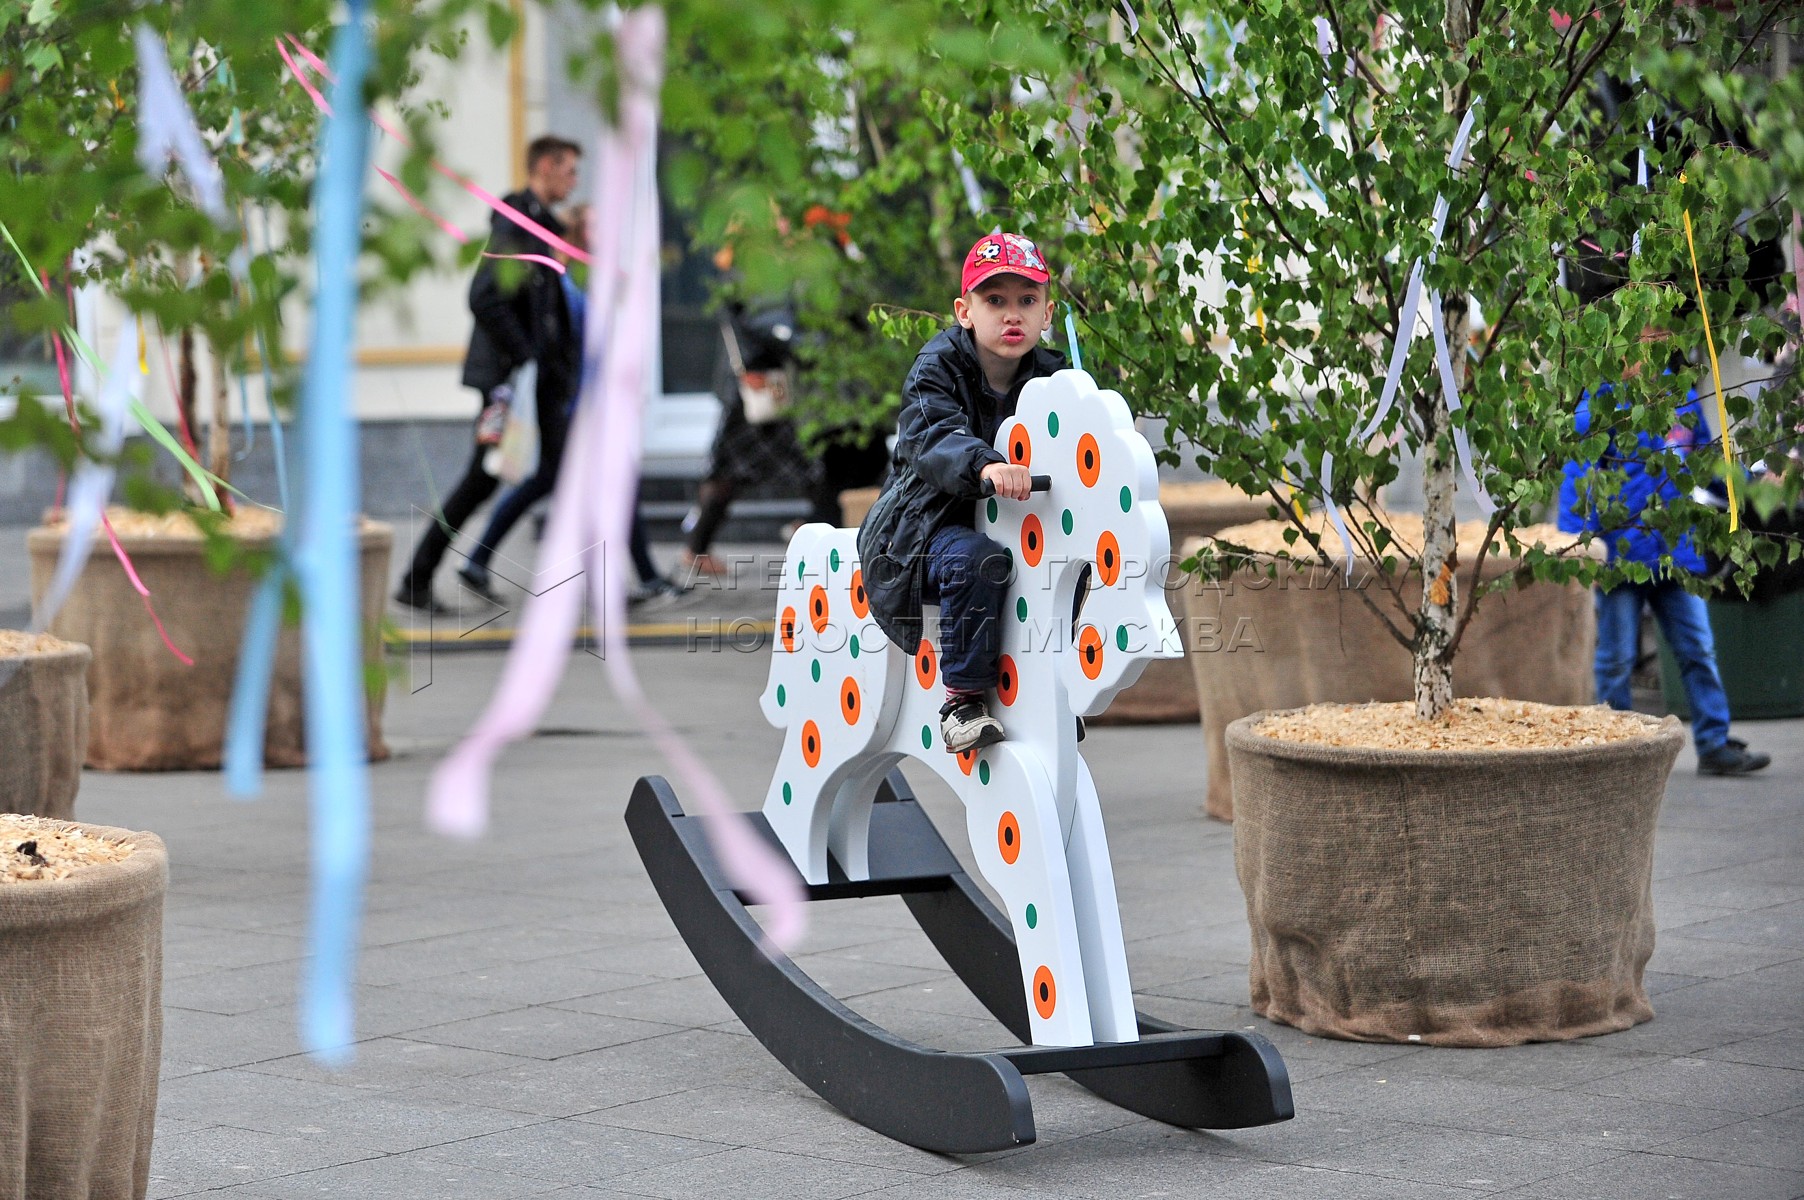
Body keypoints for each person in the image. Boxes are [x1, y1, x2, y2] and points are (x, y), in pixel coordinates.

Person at [858, 232, 1063, 753]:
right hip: (922, 529)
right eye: (994, 300)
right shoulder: (936, 368)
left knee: (1066, 567)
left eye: (1027, 300)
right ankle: (963, 702)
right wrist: (986, 464)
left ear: (1047, 313)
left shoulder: (1056, 377)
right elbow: (932, 437)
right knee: (977, 559)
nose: (1012, 315)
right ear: (964, 311)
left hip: (1013, 524)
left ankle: (1052, 693)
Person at [456, 205, 683, 605]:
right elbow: (572, 346)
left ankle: (479, 560)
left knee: (555, 483)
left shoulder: (590, 278)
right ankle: (634, 579)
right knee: (604, 485)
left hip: (586, 402)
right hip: (575, 405)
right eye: (593, 225)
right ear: (577, 232)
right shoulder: (567, 281)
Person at [395, 135, 582, 613]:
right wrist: (526, 356)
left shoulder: (540, 225)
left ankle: (467, 566)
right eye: (569, 170)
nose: (575, 181)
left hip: (533, 382)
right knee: (484, 477)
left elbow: (544, 306)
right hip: (509, 385)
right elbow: (483, 297)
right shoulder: (516, 225)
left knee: (549, 471)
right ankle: (419, 577)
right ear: (545, 166)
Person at [1560, 377, 1771, 776]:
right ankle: (1617, 754)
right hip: (1622, 559)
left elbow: (1706, 461)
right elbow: (1579, 476)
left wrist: (1754, 483)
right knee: (1616, 660)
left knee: (1698, 650)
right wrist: (1578, 547)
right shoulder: (1601, 402)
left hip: (1676, 555)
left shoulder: (1682, 398)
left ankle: (1714, 744)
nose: (1650, 346)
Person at [678, 304, 816, 578]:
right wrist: (748, 364)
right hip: (750, 389)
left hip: (769, 383)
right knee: (726, 474)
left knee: (806, 462)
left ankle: (811, 526)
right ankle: (696, 548)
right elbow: (733, 314)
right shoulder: (749, 285)